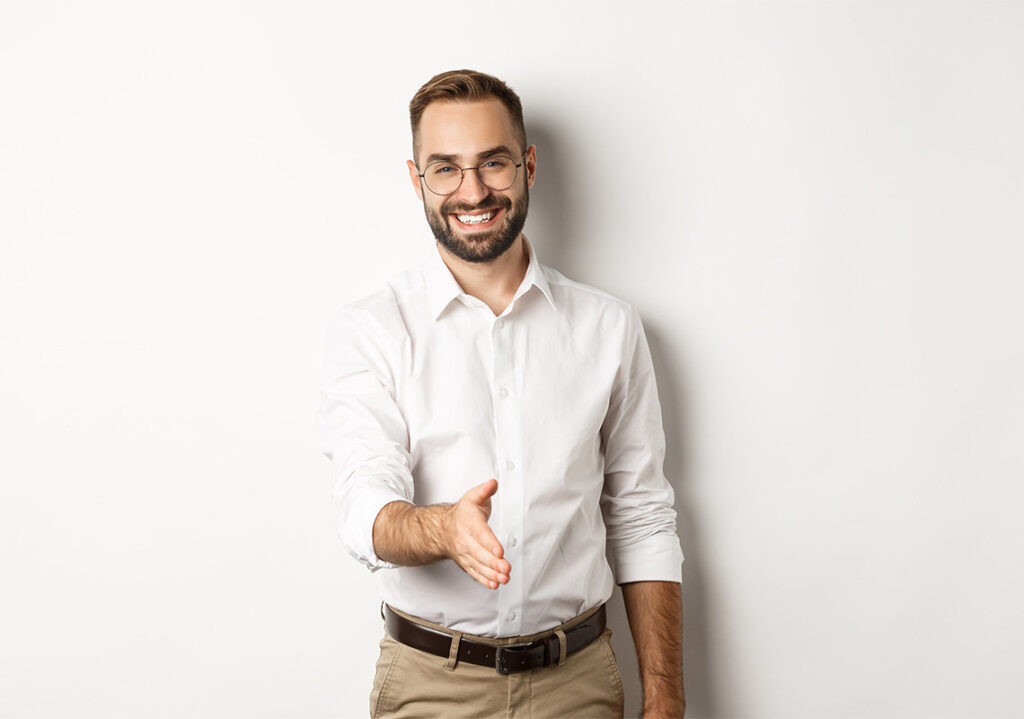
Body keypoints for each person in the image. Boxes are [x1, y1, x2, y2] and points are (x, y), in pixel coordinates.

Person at [318, 68, 686, 718]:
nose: (473, 191)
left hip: (580, 683)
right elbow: (363, 505)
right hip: (432, 686)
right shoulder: (372, 329)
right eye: (446, 169)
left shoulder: (610, 328)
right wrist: (443, 528)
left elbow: (641, 513)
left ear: (528, 166)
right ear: (417, 180)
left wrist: (665, 698)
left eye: (493, 162)